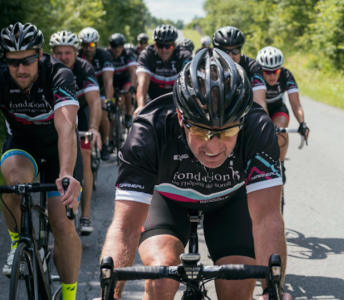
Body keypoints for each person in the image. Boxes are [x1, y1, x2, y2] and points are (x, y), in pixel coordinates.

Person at [98, 49, 292, 300]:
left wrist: (272, 291)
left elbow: (267, 219)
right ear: (180, 116)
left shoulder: (257, 127)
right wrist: (110, 293)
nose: (214, 147)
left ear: (242, 121)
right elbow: (125, 226)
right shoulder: (148, 131)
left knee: (238, 286)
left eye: (229, 130)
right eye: (200, 131)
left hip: (230, 201)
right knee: (161, 279)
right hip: (168, 200)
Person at [0, 22, 82, 300]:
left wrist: (67, 173)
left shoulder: (59, 74)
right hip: (24, 145)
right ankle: (18, 245)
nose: (21, 69)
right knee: (13, 185)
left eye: (28, 61)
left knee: (61, 223)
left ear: (40, 54)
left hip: (60, 148)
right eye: (13, 63)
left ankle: (68, 296)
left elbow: (66, 127)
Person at [50, 30, 102, 235]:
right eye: (58, 53)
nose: (63, 57)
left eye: (67, 53)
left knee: (85, 156)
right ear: (52, 53)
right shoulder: (45, 70)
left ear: (75, 52)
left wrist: (94, 129)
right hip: (56, 118)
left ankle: (86, 215)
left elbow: (94, 100)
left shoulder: (84, 68)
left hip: (80, 116)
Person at [256, 46, 309, 182]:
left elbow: (296, 104)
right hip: (259, 109)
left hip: (277, 108)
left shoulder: (286, 75)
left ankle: (280, 164)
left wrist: (302, 123)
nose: (272, 75)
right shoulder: (255, 76)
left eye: (276, 70)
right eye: (267, 71)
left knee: (280, 130)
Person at [134, 24, 192, 117]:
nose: (164, 50)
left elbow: (190, 81)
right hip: (152, 97)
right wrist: (141, 106)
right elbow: (142, 82)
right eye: (160, 46)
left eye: (168, 46)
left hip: (175, 99)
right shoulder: (147, 55)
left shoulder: (183, 55)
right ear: (155, 45)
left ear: (174, 45)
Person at [78, 27, 114, 160]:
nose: (88, 48)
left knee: (103, 111)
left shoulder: (105, 55)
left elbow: (108, 80)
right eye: (85, 45)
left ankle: (104, 144)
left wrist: (108, 101)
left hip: (101, 88)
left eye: (92, 44)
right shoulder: (76, 55)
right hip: (83, 90)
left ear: (97, 44)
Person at [213, 26, 267, 112]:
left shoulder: (252, 67)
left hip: (244, 113)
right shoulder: (208, 67)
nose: (230, 56)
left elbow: (259, 103)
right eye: (224, 51)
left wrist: (264, 123)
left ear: (241, 49)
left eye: (235, 51)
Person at [106, 33, 137, 129]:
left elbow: (133, 70)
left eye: (119, 46)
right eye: (114, 46)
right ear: (110, 46)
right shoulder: (106, 54)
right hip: (111, 80)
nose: (117, 49)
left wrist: (133, 86)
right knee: (110, 102)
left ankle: (128, 115)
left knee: (128, 93)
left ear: (123, 46)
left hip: (125, 80)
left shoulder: (128, 54)